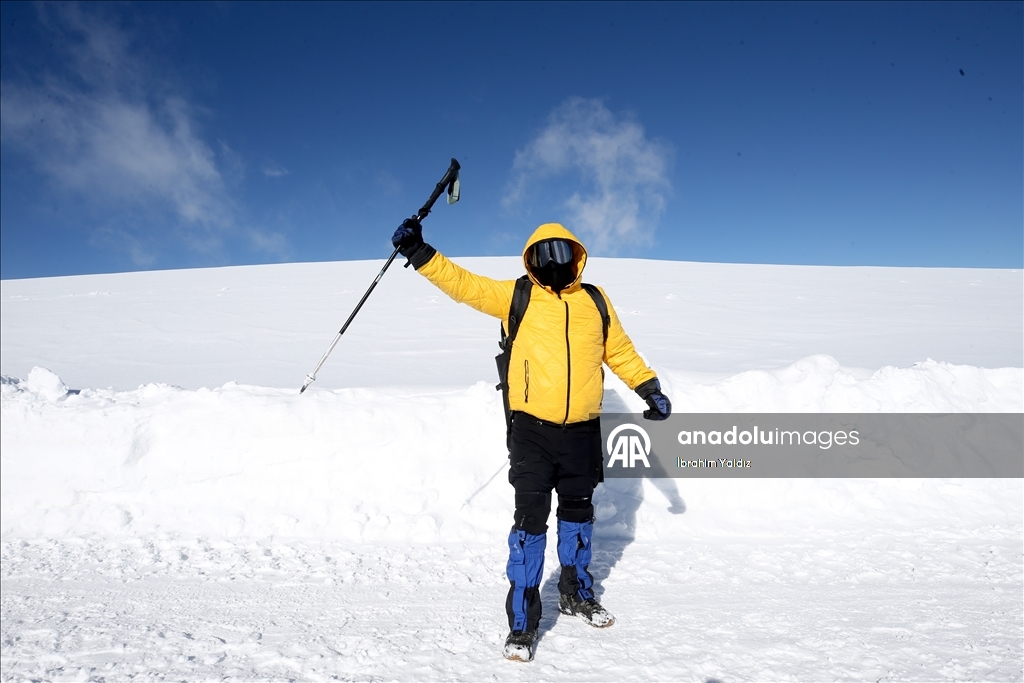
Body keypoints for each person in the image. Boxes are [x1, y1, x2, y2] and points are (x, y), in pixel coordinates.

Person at [391, 219, 672, 662]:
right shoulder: (517, 295)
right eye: (544, 252)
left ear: (576, 255)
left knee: (579, 516)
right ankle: (522, 623)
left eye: (563, 251)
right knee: (530, 523)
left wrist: (648, 386)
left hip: (582, 431)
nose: (554, 261)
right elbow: (464, 285)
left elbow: (618, 350)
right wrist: (421, 253)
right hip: (532, 433)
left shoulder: (594, 300)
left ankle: (576, 592)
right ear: (531, 257)